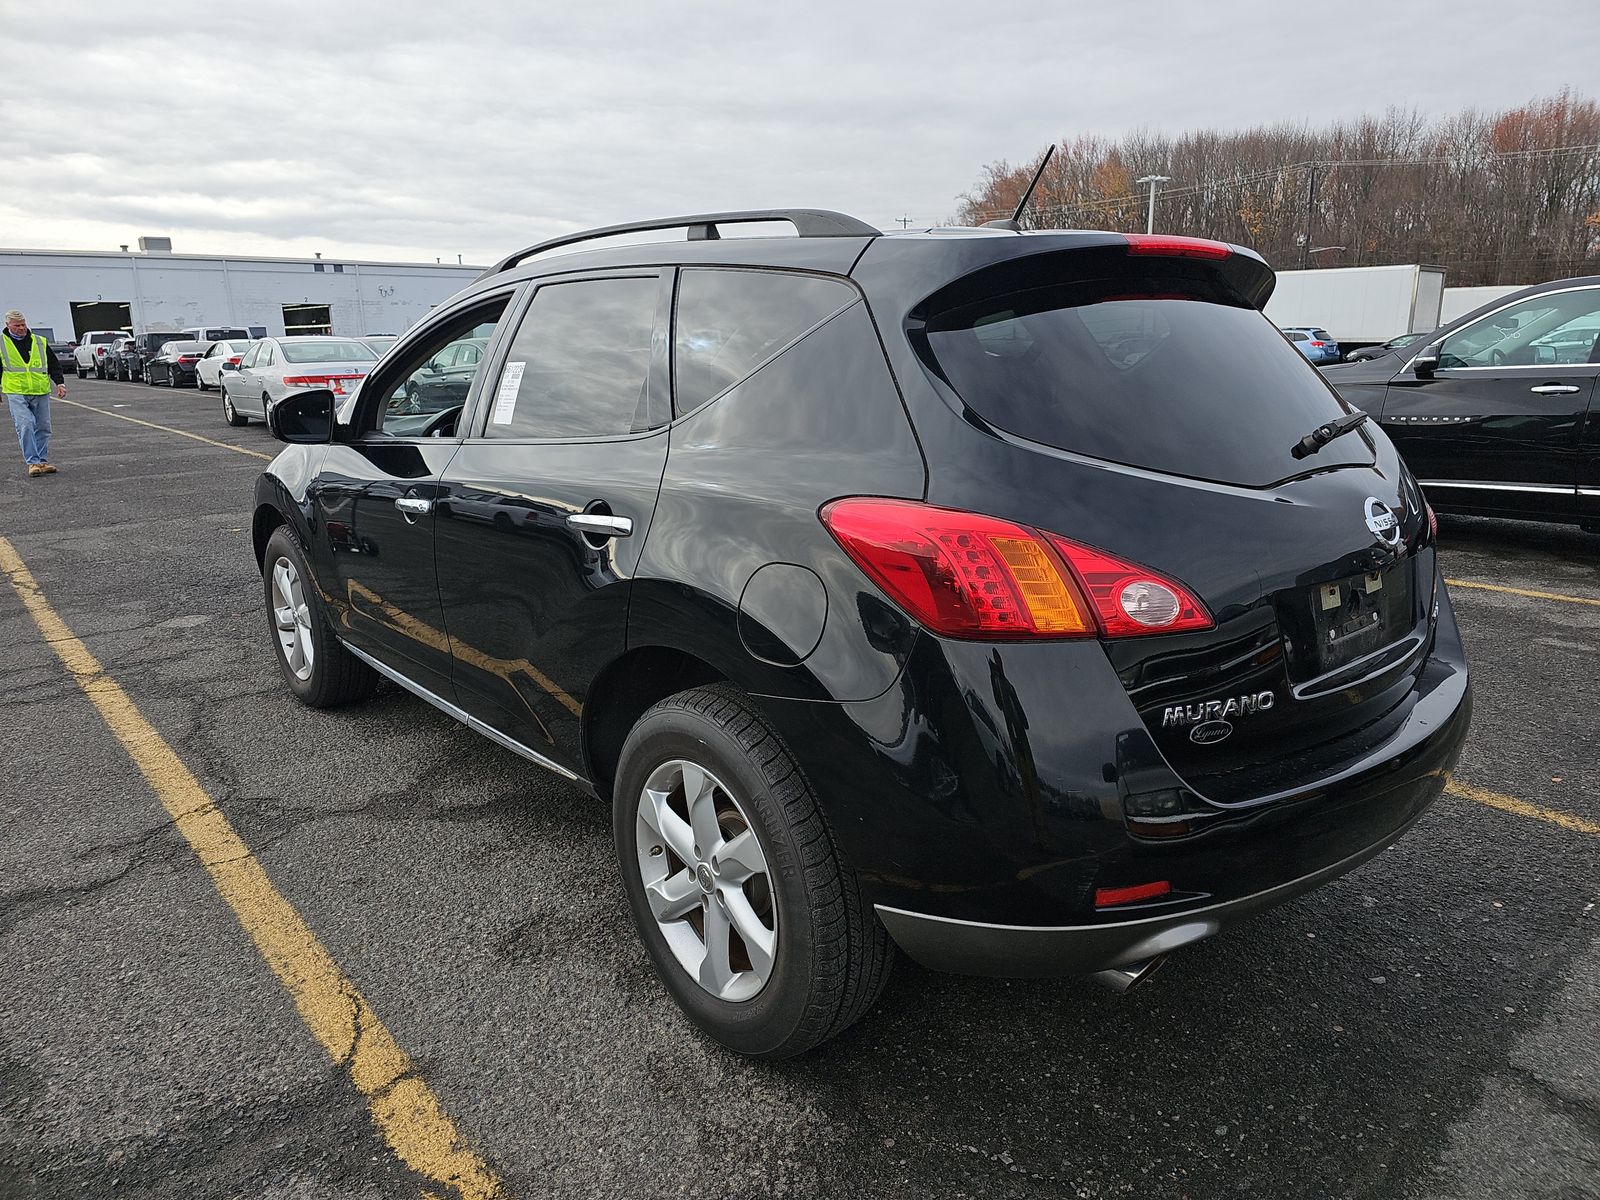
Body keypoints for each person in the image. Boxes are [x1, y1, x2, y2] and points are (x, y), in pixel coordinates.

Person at [2, 309, 66, 476]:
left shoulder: (39, 341)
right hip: (16, 391)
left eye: (23, 324)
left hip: (40, 390)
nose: (22, 328)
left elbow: (53, 363)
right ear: (7, 325)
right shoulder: (1, 344)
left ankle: (42, 461)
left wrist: (60, 383)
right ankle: (33, 462)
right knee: (26, 425)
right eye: (17, 326)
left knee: (43, 427)